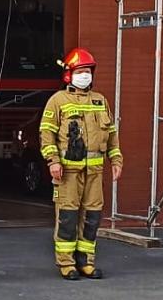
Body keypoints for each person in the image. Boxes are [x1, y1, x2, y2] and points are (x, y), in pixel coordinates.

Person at [40, 47, 123, 279]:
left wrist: (116, 159)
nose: (85, 75)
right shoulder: (57, 101)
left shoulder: (100, 101)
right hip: (67, 172)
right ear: (69, 74)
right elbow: (46, 134)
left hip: (94, 171)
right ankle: (66, 263)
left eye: (87, 71)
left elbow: (112, 134)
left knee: (92, 216)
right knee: (67, 216)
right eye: (80, 71)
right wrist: (52, 161)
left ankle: (86, 261)